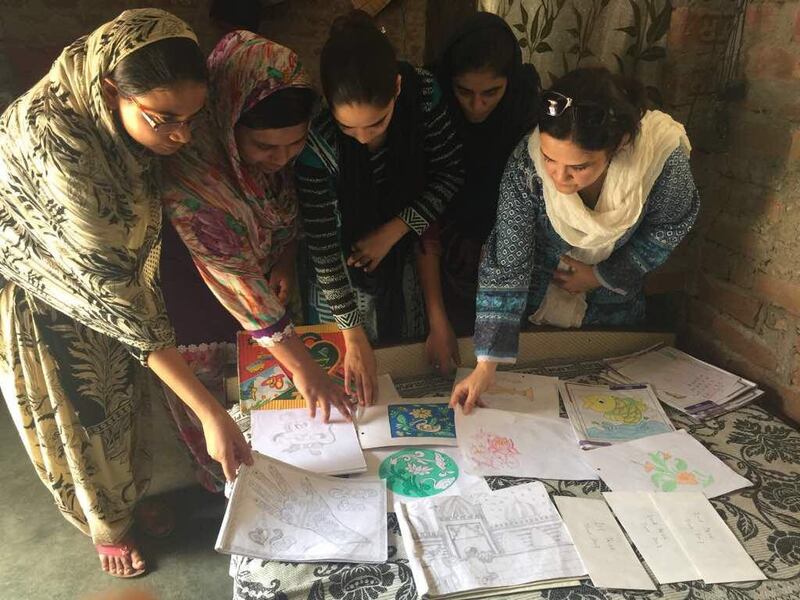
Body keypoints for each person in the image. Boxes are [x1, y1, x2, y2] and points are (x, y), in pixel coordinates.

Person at [0, 10, 252, 578]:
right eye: (165, 120)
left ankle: (131, 501)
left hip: (122, 280)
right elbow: (120, 304)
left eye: (192, 116)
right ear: (113, 90)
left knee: (131, 412)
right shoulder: (58, 147)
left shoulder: (115, 113)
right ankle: (106, 527)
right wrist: (213, 413)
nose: (182, 135)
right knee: (88, 422)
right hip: (52, 303)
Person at [451, 67, 700, 413]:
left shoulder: (660, 161)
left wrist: (601, 276)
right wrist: (486, 364)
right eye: (551, 159)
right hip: (535, 310)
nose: (558, 176)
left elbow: (669, 226)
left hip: (614, 311)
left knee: (608, 409)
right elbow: (509, 260)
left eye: (578, 167)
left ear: (619, 146)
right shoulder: (527, 165)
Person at [162, 31, 352, 431]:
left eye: (296, 143)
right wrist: (305, 369)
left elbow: (286, 218)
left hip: (268, 305)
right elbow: (236, 278)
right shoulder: (194, 174)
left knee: (284, 410)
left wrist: (283, 259)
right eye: (265, 147)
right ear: (228, 121)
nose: (281, 160)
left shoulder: (277, 160)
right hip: (203, 305)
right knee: (227, 420)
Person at [295, 10, 464, 403]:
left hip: (409, 258)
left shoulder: (423, 95)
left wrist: (394, 230)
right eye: (348, 127)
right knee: (348, 386)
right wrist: (351, 332)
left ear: (398, 87)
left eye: (377, 123)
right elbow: (322, 247)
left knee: (402, 380)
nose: (362, 138)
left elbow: (451, 173)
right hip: (337, 279)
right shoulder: (316, 144)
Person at [419, 11, 541, 374]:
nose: (477, 106)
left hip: (512, 256)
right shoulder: (431, 111)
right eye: (464, 91)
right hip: (439, 253)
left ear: (510, 82)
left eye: (491, 92)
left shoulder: (525, 112)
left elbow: (525, 216)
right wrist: (436, 317)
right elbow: (425, 218)